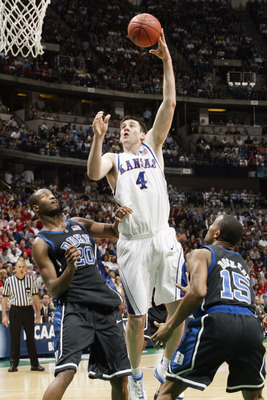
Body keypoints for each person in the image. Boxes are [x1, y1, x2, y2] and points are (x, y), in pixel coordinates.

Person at [87, 30, 186, 400]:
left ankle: (165, 366)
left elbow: (170, 103)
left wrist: (167, 61)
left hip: (163, 236)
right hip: (133, 244)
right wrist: (98, 138)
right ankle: (136, 375)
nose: (125, 128)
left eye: (131, 126)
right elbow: (94, 173)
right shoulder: (116, 158)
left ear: (143, 133)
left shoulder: (153, 148)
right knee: (137, 318)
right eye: (121, 126)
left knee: (179, 311)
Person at [29, 188, 132, 400]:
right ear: (36, 208)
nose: (52, 196)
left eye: (52, 193)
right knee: (66, 372)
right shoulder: (41, 243)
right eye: (45, 195)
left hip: (105, 307)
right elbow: (54, 289)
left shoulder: (77, 223)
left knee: (120, 377)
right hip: (75, 309)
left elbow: (113, 231)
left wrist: (117, 220)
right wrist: (70, 268)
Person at [151, 215, 266, 400]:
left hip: (217, 324)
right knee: (255, 397)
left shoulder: (201, 253)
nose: (209, 228)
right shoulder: (243, 263)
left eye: (211, 225)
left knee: (167, 393)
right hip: (251, 328)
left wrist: (169, 326)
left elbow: (198, 293)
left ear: (217, 233)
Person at [1, 258, 45, 372]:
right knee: (15, 338)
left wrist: (38, 313)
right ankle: (13, 365)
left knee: (31, 338)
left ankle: (34, 364)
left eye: (23, 267)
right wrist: (4, 315)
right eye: (19, 267)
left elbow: (36, 298)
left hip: (28, 310)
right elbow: (4, 299)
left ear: (26, 268)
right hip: (15, 310)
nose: (21, 269)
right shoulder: (9, 281)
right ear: (15, 269)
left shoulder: (31, 280)